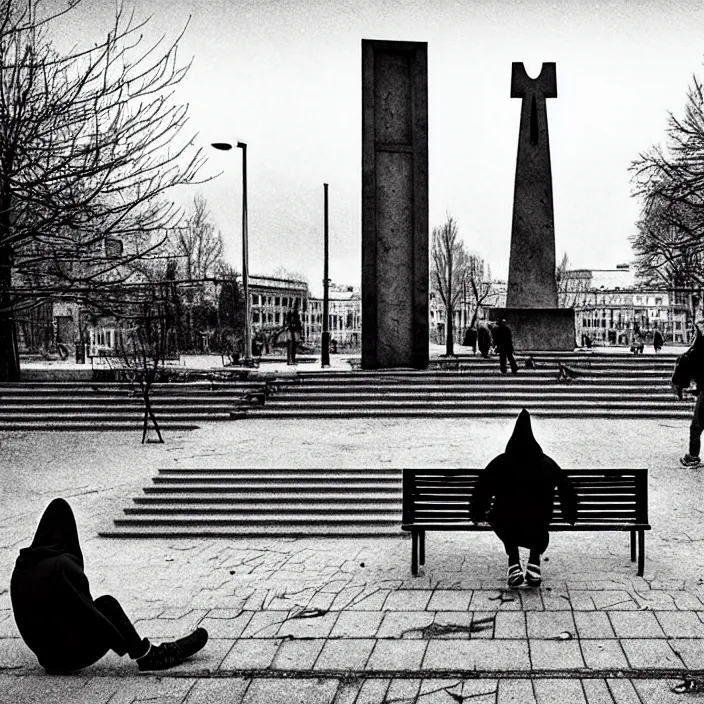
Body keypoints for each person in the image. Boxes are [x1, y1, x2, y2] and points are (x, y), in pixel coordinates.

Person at [11, 498, 208, 673]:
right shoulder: (61, 564)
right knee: (107, 604)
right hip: (68, 658)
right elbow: (86, 609)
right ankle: (149, 655)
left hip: (47, 658)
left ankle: (144, 651)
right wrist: (120, 638)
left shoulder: (21, 567)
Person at [469, 409, 577, 588]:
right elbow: (566, 488)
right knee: (540, 517)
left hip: (509, 522)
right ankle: (534, 562)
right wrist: (569, 514)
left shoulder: (501, 462)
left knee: (500, 516)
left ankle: (514, 562)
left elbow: (483, 488)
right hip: (537, 522)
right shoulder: (547, 463)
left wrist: (478, 512)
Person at [672, 326, 704, 467]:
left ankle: (693, 457)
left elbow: (685, 363)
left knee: (696, 427)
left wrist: (680, 386)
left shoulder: (697, 350)